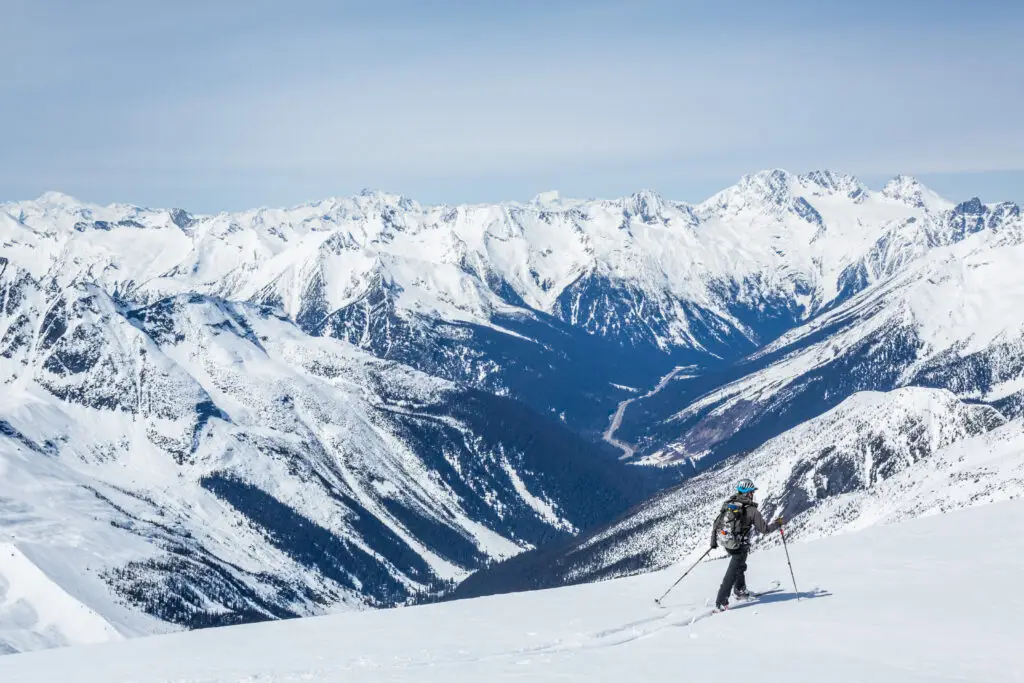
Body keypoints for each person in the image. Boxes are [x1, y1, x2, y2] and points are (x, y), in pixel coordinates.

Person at [710, 478, 783, 610]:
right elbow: (764, 529)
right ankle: (721, 600)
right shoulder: (751, 510)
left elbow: (716, 523)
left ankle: (739, 590)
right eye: (751, 492)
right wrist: (777, 524)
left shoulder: (729, 503)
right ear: (748, 493)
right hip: (739, 546)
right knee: (732, 571)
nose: (753, 494)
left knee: (740, 567)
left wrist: (713, 542)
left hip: (728, 543)